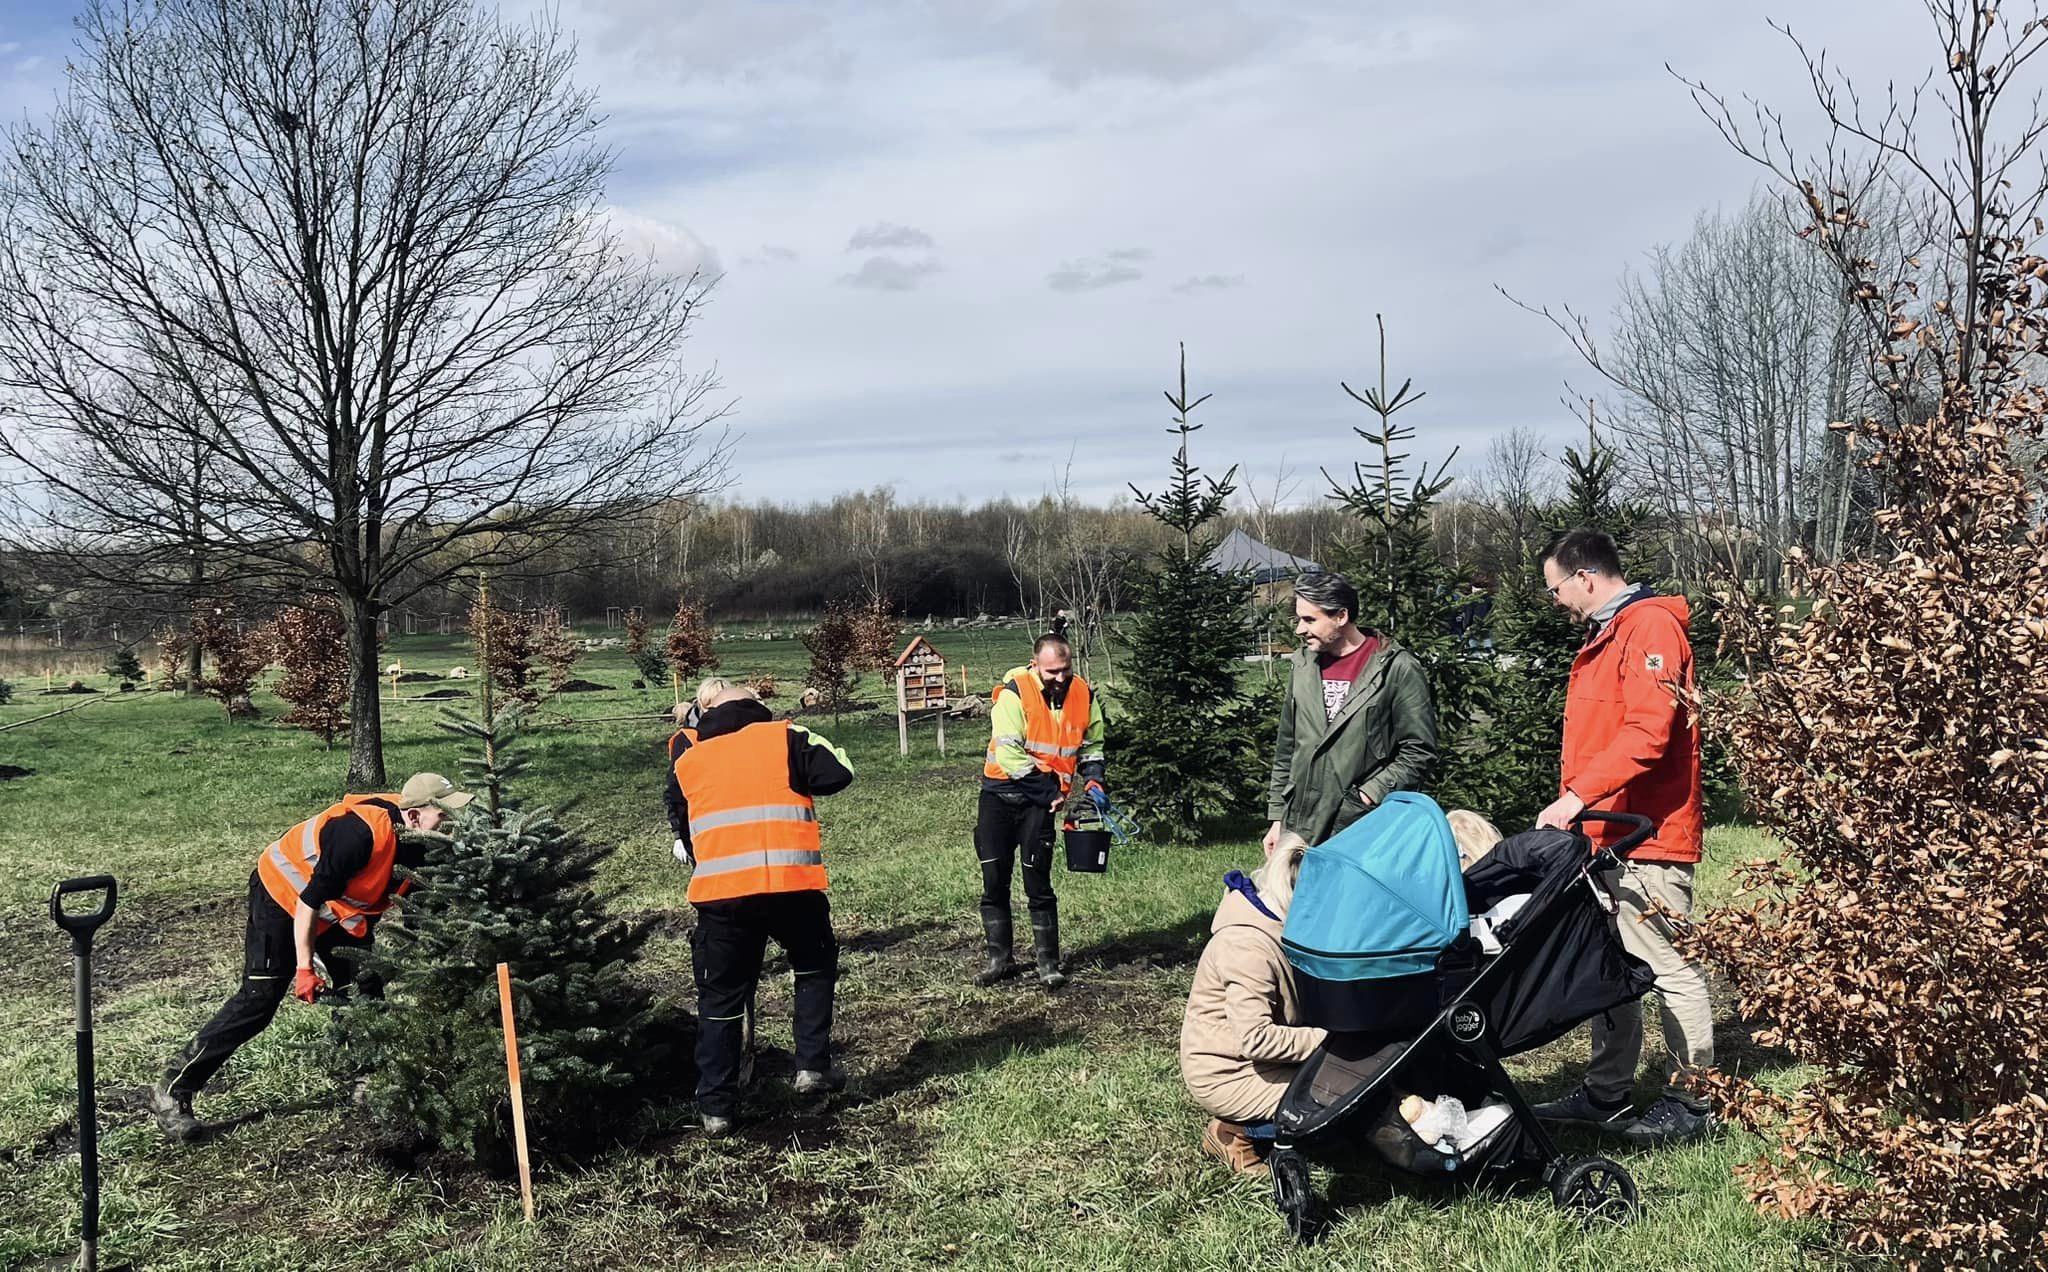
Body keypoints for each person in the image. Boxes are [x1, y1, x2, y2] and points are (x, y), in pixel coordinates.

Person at [151, 772, 473, 1142]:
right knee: (259, 999)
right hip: (284, 895)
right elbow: (308, 901)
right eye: (444, 816)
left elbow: (421, 909)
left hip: (338, 910)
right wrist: (304, 968)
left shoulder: (426, 844)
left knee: (363, 986)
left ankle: (367, 1080)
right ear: (415, 816)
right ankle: (173, 1092)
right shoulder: (358, 834)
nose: (452, 825)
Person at [1530, 528, 1714, 1145]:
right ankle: (1605, 1093)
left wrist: (1577, 797)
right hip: (1607, 833)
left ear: (1585, 576)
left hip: (1649, 834)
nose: (1556, 600)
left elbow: (1648, 733)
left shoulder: (1649, 629)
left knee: (1668, 965)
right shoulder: (1609, 632)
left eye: (1556, 587)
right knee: (1612, 965)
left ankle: (1692, 1103)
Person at [672, 684, 855, 1137]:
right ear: (757, 706)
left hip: (723, 894)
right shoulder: (787, 737)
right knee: (813, 966)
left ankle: (716, 1108)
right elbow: (839, 773)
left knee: (721, 998)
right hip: (791, 884)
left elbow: (684, 827)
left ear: (705, 712)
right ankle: (811, 1066)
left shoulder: (688, 759)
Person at [1263, 572, 1437, 855]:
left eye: (1309, 620)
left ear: (1341, 616)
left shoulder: (1395, 668)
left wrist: (1369, 795)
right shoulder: (1304, 665)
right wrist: (1277, 818)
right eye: (1298, 619)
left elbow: (1419, 751)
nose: (1299, 630)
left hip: (1361, 827)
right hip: (1298, 825)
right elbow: (1287, 747)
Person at [1180, 832, 1323, 1174]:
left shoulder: (1272, 925)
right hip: (1226, 1071)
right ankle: (1234, 1132)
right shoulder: (1247, 946)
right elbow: (1256, 1038)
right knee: (1332, 1103)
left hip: (1255, 1062)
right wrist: (1327, 1038)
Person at [975, 633, 1106, 989]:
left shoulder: (1083, 694)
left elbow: (1093, 744)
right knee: (994, 881)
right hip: (1001, 795)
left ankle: (1048, 963)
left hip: (1041, 803)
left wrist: (1094, 780)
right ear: (1036, 666)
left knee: (1039, 881)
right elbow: (1010, 754)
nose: (1060, 679)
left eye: (1065, 670)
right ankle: (999, 960)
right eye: (1051, 672)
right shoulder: (1013, 694)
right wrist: (1048, 793)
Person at [664, 676, 735, 863]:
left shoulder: (745, 736)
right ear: (701, 705)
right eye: (709, 706)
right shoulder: (686, 741)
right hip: (701, 828)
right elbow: (675, 789)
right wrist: (678, 834)